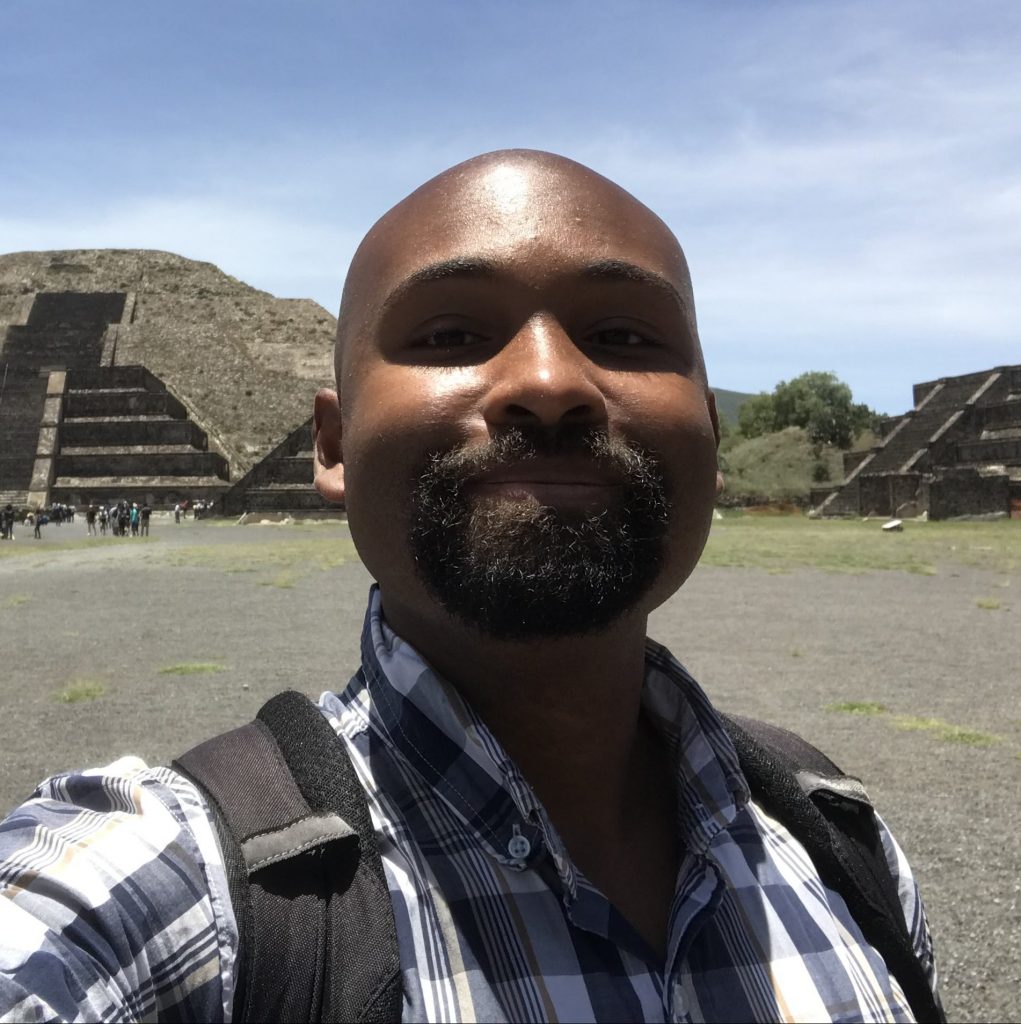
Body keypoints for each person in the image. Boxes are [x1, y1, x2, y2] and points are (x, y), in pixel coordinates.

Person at [0, 151, 941, 1023]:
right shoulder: (168, 885)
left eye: (622, 334)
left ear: (710, 432)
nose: (549, 381)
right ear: (332, 444)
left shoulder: (843, 845)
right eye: (451, 333)